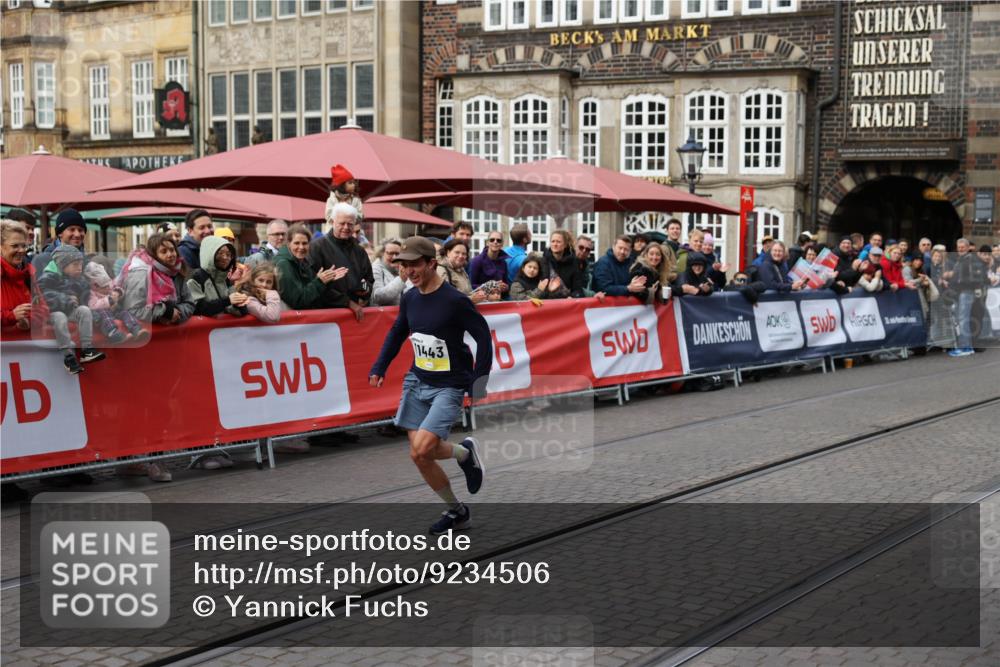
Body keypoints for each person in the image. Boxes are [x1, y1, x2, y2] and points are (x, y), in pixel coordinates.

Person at [368, 236, 491, 535]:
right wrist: (380, 366)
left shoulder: (455, 301)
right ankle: (458, 506)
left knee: (418, 451)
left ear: (431, 263)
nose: (408, 271)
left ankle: (463, 463)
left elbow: (483, 337)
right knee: (423, 454)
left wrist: (479, 379)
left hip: (449, 384)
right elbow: (398, 332)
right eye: (404, 265)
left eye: (414, 265)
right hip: (417, 380)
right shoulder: (410, 297)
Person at [37, 245, 107, 374]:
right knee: (60, 317)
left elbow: (85, 298)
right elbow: (44, 294)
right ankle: (68, 356)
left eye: (80, 264)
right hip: (52, 313)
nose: (79, 268)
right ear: (63, 265)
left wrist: (93, 310)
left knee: (84, 310)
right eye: (75, 264)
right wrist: (66, 299)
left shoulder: (78, 279)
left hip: (70, 310)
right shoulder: (48, 276)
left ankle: (87, 350)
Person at [309, 202, 373, 322]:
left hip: (356, 316)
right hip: (327, 316)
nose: (346, 227)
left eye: (350, 224)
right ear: (332, 222)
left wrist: (364, 293)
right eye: (342, 223)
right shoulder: (316, 248)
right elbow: (314, 284)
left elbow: (369, 280)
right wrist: (348, 302)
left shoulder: (359, 250)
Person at [121, 233, 196, 328]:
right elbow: (132, 309)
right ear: (154, 255)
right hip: (146, 339)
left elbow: (189, 303)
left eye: (172, 250)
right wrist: (163, 312)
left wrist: (176, 312)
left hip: (175, 336)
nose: (170, 255)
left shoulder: (176, 272)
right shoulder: (140, 274)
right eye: (163, 251)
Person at [274, 224, 346, 310]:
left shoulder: (304, 262)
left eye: (305, 243)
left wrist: (327, 280)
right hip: (292, 321)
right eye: (296, 243)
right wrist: (320, 281)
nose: (301, 247)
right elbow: (298, 301)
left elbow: (314, 294)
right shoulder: (283, 264)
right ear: (289, 244)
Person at [83, 261, 148, 344]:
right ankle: (114, 333)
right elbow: (93, 305)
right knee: (105, 315)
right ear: (95, 286)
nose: (108, 288)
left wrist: (118, 292)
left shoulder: (109, 285)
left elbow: (117, 287)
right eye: (104, 287)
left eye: (108, 285)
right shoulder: (91, 293)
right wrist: (109, 301)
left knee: (125, 313)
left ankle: (136, 329)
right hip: (105, 313)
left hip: (115, 309)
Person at [187, 235, 248, 319]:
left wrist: (240, 303)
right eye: (220, 253)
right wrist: (228, 301)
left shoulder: (225, 279)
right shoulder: (196, 277)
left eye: (229, 254)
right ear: (209, 253)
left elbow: (241, 312)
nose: (225, 258)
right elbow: (196, 308)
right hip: (202, 331)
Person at [949, 238, 987, 357]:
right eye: (959, 247)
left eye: (963, 247)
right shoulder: (961, 259)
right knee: (962, 320)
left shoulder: (970, 259)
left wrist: (959, 281)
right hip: (961, 292)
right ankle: (967, 346)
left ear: (968, 247)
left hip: (966, 292)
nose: (960, 249)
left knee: (963, 320)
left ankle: (965, 348)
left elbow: (976, 277)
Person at [1, 220, 34, 333]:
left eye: (23, 246)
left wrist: (29, 322)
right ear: (1, 247)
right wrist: (12, 316)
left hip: (28, 346)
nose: (21, 250)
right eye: (15, 246)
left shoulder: (29, 273)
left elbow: (43, 309)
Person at [33, 208, 88, 272]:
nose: (77, 234)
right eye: (72, 229)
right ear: (60, 233)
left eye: (80, 230)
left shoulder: (86, 261)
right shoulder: (42, 260)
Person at [437, 239, 488, 303]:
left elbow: (467, 293)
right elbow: (445, 297)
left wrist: (478, 295)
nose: (461, 256)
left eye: (464, 254)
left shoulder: (461, 270)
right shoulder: (441, 270)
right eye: (457, 252)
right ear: (448, 252)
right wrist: (470, 299)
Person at [927, 244, 956, 349]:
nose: (938, 258)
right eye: (936, 256)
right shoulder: (928, 266)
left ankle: (943, 342)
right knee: (932, 320)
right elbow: (926, 278)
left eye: (939, 256)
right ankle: (932, 341)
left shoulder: (944, 265)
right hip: (931, 297)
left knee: (942, 319)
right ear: (932, 256)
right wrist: (938, 280)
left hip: (942, 297)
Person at [542, 229, 585, 298]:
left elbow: (578, 289)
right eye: (553, 241)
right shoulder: (543, 261)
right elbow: (536, 288)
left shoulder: (573, 263)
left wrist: (572, 297)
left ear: (565, 245)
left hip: (566, 304)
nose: (555, 244)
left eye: (558, 242)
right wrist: (549, 290)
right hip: (547, 304)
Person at [468, 231, 509, 297]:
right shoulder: (477, 261)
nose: (495, 242)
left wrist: (505, 288)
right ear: (487, 243)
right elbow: (470, 286)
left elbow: (506, 284)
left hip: (498, 300)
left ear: (502, 244)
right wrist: (491, 286)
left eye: (498, 240)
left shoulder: (503, 263)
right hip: (481, 301)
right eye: (492, 240)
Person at [371, 238, 409, 306]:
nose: (394, 257)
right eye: (390, 253)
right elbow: (377, 297)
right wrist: (401, 280)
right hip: (384, 315)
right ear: (382, 253)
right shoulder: (375, 268)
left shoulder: (405, 267)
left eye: (397, 254)